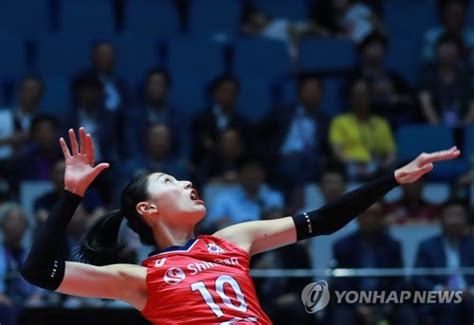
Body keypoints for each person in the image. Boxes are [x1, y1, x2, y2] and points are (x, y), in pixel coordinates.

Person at [20, 127, 459, 324]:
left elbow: (322, 221)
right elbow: (38, 272)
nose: (187, 181)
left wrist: (393, 179)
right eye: (170, 181)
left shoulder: (232, 239)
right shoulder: (139, 280)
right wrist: (71, 195)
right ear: (148, 210)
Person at [331, 202, 416, 325]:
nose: (369, 219)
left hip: (385, 299)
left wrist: (389, 304)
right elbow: (340, 282)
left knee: (407, 316)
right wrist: (357, 306)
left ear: (382, 218)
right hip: (352, 300)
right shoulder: (342, 245)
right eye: (365, 214)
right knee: (342, 318)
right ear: (357, 217)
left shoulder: (393, 246)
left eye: (375, 215)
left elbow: (399, 280)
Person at [413, 199, 474, 325]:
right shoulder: (427, 246)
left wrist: (471, 291)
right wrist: (440, 290)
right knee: (450, 305)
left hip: (470, 295)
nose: (454, 221)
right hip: (440, 298)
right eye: (450, 215)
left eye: (459, 216)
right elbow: (418, 278)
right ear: (441, 219)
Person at [329, 78, 396, 181]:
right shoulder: (339, 121)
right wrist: (354, 165)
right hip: (350, 166)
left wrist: (383, 166)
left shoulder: (381, 123)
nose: (360, 99)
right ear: (350, 98)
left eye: (364, 94)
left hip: (376, 168)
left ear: (371, 97)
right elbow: (337, 151)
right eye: (356, 95)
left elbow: (391, 154)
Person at [353, 32, 419, 127]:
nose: (375, 51)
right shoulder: (356, 77)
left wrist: (396, 99)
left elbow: (411, 97)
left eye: (378, 47)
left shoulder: (393, 77)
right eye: (371, 47)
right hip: (367, 122)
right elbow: (353, 101)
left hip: (395, 121)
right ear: (362, 51)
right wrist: (378, 97)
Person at [191, 75, 253, 165]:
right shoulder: (200, 120)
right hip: (206, 168)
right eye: (224, 91)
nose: (228, 96)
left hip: (236, 168)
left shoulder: (244, 122)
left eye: (232, 92)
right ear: (214, 93)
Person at [419, 34, 474, 126]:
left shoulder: (465, 76)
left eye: (452, 47)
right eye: (445, 46)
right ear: (437, 50)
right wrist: (440, 128)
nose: (448, 51)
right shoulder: (428, 75)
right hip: (435, 128)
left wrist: (463, 126)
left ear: (459, 51)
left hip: (464, 128)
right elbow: (425, 103)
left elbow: (472, 107)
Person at [0, 75, 44, 161]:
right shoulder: (2, 117)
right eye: (29, 90)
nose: (33, 94)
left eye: (37, 91)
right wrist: (8, 140)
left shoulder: (43, 122)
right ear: (19, 91)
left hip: (30, 168)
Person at [422, 0, 474, 65]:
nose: (454, 18)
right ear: (443, 13)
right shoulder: (431, 37)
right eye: (450, 13)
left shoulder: (472, 39)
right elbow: (427, 61)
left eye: (458, 14)